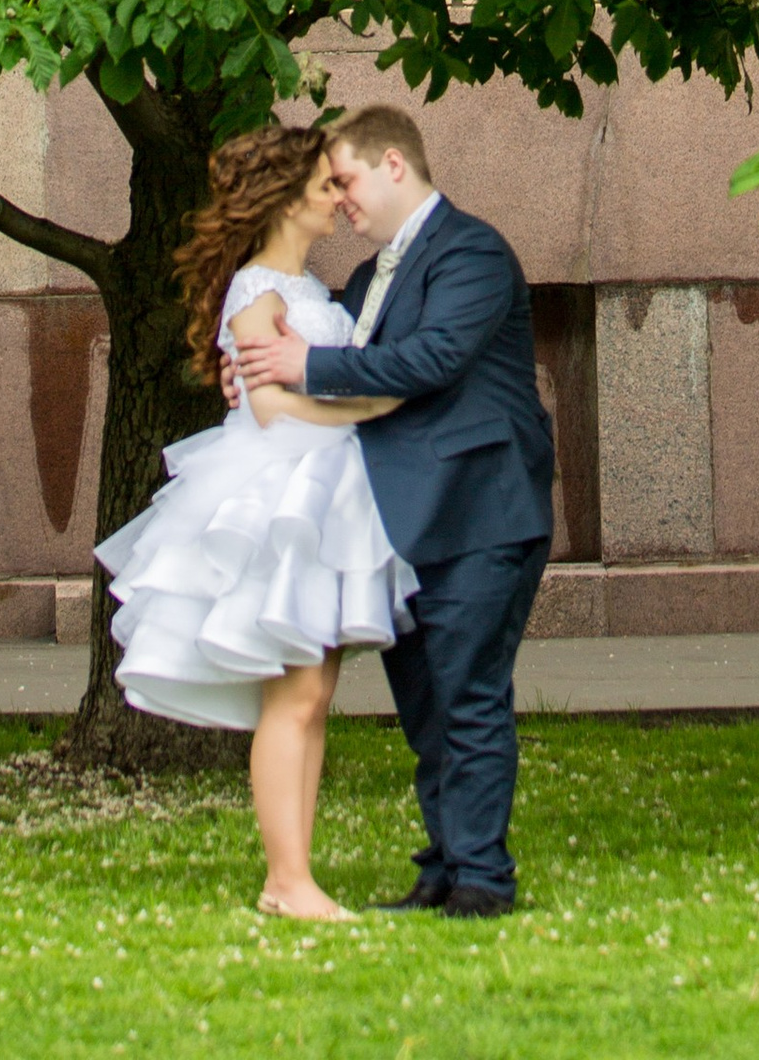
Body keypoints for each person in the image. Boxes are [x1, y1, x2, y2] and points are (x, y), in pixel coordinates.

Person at [231, 104, 557, 920]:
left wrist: (305, 362)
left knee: (471, 695)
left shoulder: (473, 251)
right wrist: (258, 379)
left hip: (483, 511)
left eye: (344, 179)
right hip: (402, 523)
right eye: (329, 186)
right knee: (428, 707)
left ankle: (482, 881)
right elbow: (346, 371)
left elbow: (433, 358)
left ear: (393, 167)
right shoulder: (367, 281)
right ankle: (443, 868)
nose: (339, 199)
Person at [94, 119, 406, 920]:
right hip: (280, 497)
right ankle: (286, 878)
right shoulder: (258, 289)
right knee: (294, 695)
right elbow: (268, 407)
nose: (338, 199)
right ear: (285, 197)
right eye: (325, 186)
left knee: (312, 692)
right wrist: (376, 409)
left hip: (322, 494)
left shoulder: (305, 290)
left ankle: (292, 876)